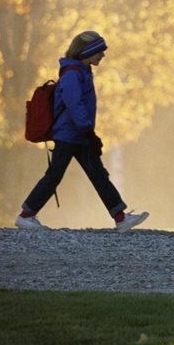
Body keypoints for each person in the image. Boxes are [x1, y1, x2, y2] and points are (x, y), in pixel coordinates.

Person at [15, 30, 149, 232]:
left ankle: (121, 218)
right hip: (70, 136)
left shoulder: (81, 72)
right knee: (55, 176)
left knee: (98, 174)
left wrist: (87, 134)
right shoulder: (72, 74)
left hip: (78, 135)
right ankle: (26, 216)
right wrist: (88, 132)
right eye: (99, 52)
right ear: (87, 52)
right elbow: (74, 104)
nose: (102, 55)